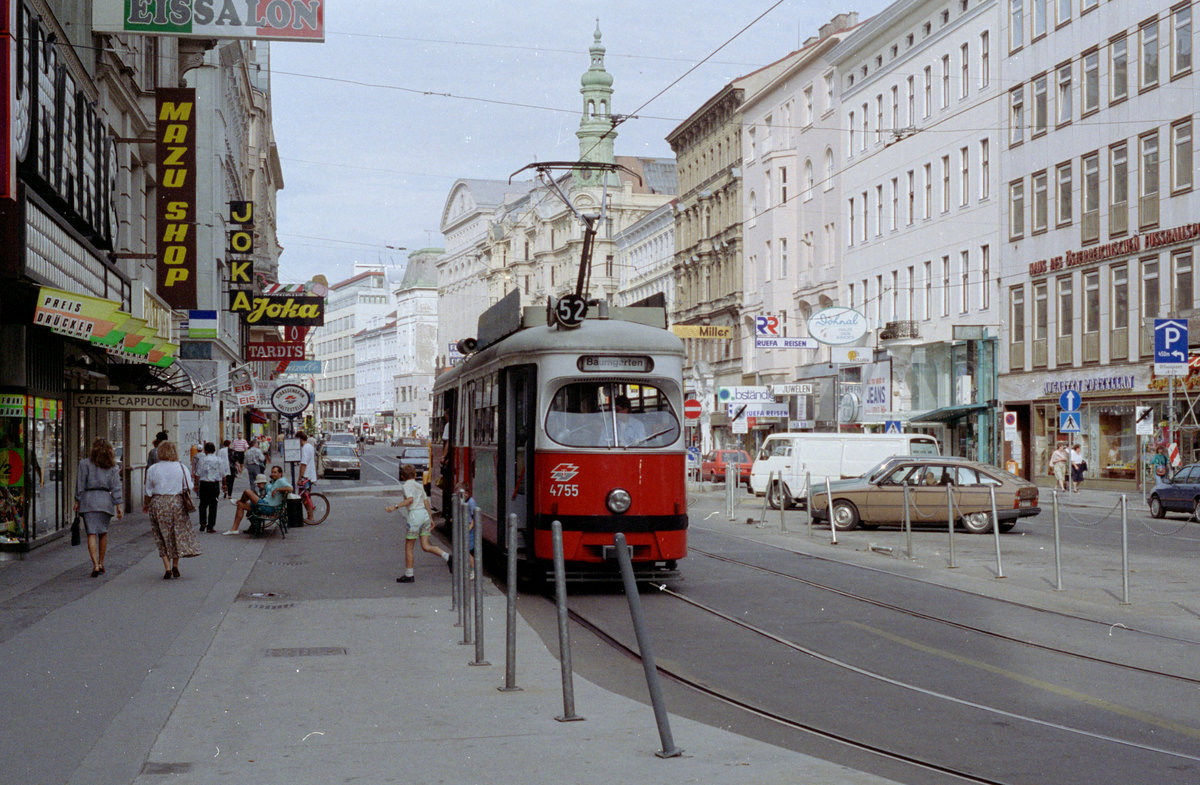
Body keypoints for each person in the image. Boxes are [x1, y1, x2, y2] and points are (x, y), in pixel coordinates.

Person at [142, 440, 201, 579]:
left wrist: (146, 505)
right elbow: (189, 486)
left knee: (161, 534)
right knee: (176, 533)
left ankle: (167, 568)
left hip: (158, 502)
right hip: (176, 502)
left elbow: (148, 490)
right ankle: (175, 565)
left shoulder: (153, 469)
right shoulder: (181, 467)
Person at [388, 463, 450, 582]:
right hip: (424, 515)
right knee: (426, 545)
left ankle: (409, 574)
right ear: (415, 475)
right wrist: (430, 518)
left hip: (415, 516)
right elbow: (426, 501)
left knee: (409, 546)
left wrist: (395, 507)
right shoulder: (419, 485)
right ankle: (447, 557)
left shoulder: (406, 486)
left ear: (402, 476)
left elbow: (410, 500)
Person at [74, 438, 123, 577]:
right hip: (105, 501)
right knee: (103, 533)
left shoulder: (84, 464)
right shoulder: (112, 466)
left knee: (91, 533)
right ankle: (101, 562)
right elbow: (116, 487)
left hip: (88, 501)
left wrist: (77, 500)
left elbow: (80, 484)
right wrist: (118, 505)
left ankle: (94, 564)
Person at [225, 466, 291, 535]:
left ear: (280, 474)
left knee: (248, 492)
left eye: (275, 472)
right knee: (241, 505)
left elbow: (290, 488)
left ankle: (238, 501)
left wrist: (277, 489)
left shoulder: (281, 481)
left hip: (268, 507)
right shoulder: (275, 482)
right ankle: (234, 529)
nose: (273, 474)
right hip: (265, 505)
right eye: (272, 472)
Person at [195, 442, 225, 533]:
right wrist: (224, 484)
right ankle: (210, 526)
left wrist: (196, 484)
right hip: (214, 484)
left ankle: (203, 523)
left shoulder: (202, 460)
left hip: (204, 484)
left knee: (203, 504)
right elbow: (223, 473)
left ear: (205, 450)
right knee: (213, 505)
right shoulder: (219, 460)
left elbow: (197, 473)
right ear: (214, 450)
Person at [296, 431, 318, 524]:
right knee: (304, 496)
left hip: (306, 476)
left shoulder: (305, 448)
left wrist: (300, 478)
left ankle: (311, 516)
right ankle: (309, 515)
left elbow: (303, 464)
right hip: (310, 475)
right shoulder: (310, 446)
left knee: (305, 496)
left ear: (300, 439)